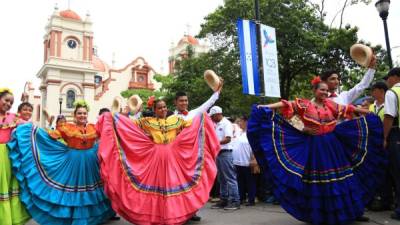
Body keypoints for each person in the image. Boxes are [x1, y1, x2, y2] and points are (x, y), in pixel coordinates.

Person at [247, 77, 386, 225]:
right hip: (316, 147)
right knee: (319, 182)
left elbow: (349, 109)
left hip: (333, 146)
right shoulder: (305, 105)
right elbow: (285, 104)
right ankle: (322, 216)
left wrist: (367, 112)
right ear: (314, 90)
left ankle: (351, 212)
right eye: (322, 90)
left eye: (326, 90)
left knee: (343, 180)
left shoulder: (331, 105)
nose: (325, 92)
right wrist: (265, 106)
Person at [96, 99, 220, 225]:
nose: (163, 109)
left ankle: (174, 215)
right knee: (158, 186)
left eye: (165, 107)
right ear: (154, 110)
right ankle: (156, 216)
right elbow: (128, 124)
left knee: (173, 184)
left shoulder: (176, 120)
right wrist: (113, 116)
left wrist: (203, 117)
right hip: (155, 157)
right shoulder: (147, 122)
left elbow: (191, 124)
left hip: (173, 157)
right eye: (160, 108)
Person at [7, 100, 115, 225]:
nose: (82, 116)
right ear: (75, 115)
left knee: (92, 187)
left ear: (87, 114)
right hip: (73, 161)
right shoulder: (67, 127)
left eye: (84, 113)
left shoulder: (93, 127)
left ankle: (94, 217)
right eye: (79, 113)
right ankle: (73, 218)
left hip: (91, 161)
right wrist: (34, 130)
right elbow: (52, 136)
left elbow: (106, 134)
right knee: (74, 188)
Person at [0, 88, 30, 225]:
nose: (8, 104)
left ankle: (9, 219)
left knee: (9, 183)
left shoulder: (13, 117)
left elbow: (27, 125)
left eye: (11, 102)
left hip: (8, 154)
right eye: (6, 100)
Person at [210, 106, 241, 210]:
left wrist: (214, 143)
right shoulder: (217, 124)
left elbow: (227, 139)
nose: (212, 118)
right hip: (219, 153)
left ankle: (235, 201)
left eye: (213, 116)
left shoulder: (226, 123)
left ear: (218, 114)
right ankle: (224, 199)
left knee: (230, 178)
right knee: (221, 179)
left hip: (225, 153)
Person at [382, 67, 400, 221]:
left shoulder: (392, 92)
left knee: (398, 172)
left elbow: (389, 116)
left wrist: (385, 137)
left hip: (397, 134)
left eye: (388, 78)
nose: (387, 81)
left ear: (395, 77)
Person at [232, 115, 258, 206]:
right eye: (238, 121)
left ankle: (251, 200)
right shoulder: (240, 132)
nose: (239, 123)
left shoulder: (251, 133)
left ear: (246, 122)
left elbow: (255, 147)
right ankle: (241, 197)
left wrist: (254, 159)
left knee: (250, 181)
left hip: (247, 161)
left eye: (241, 121)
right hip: (238, 161)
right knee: (240, 180)